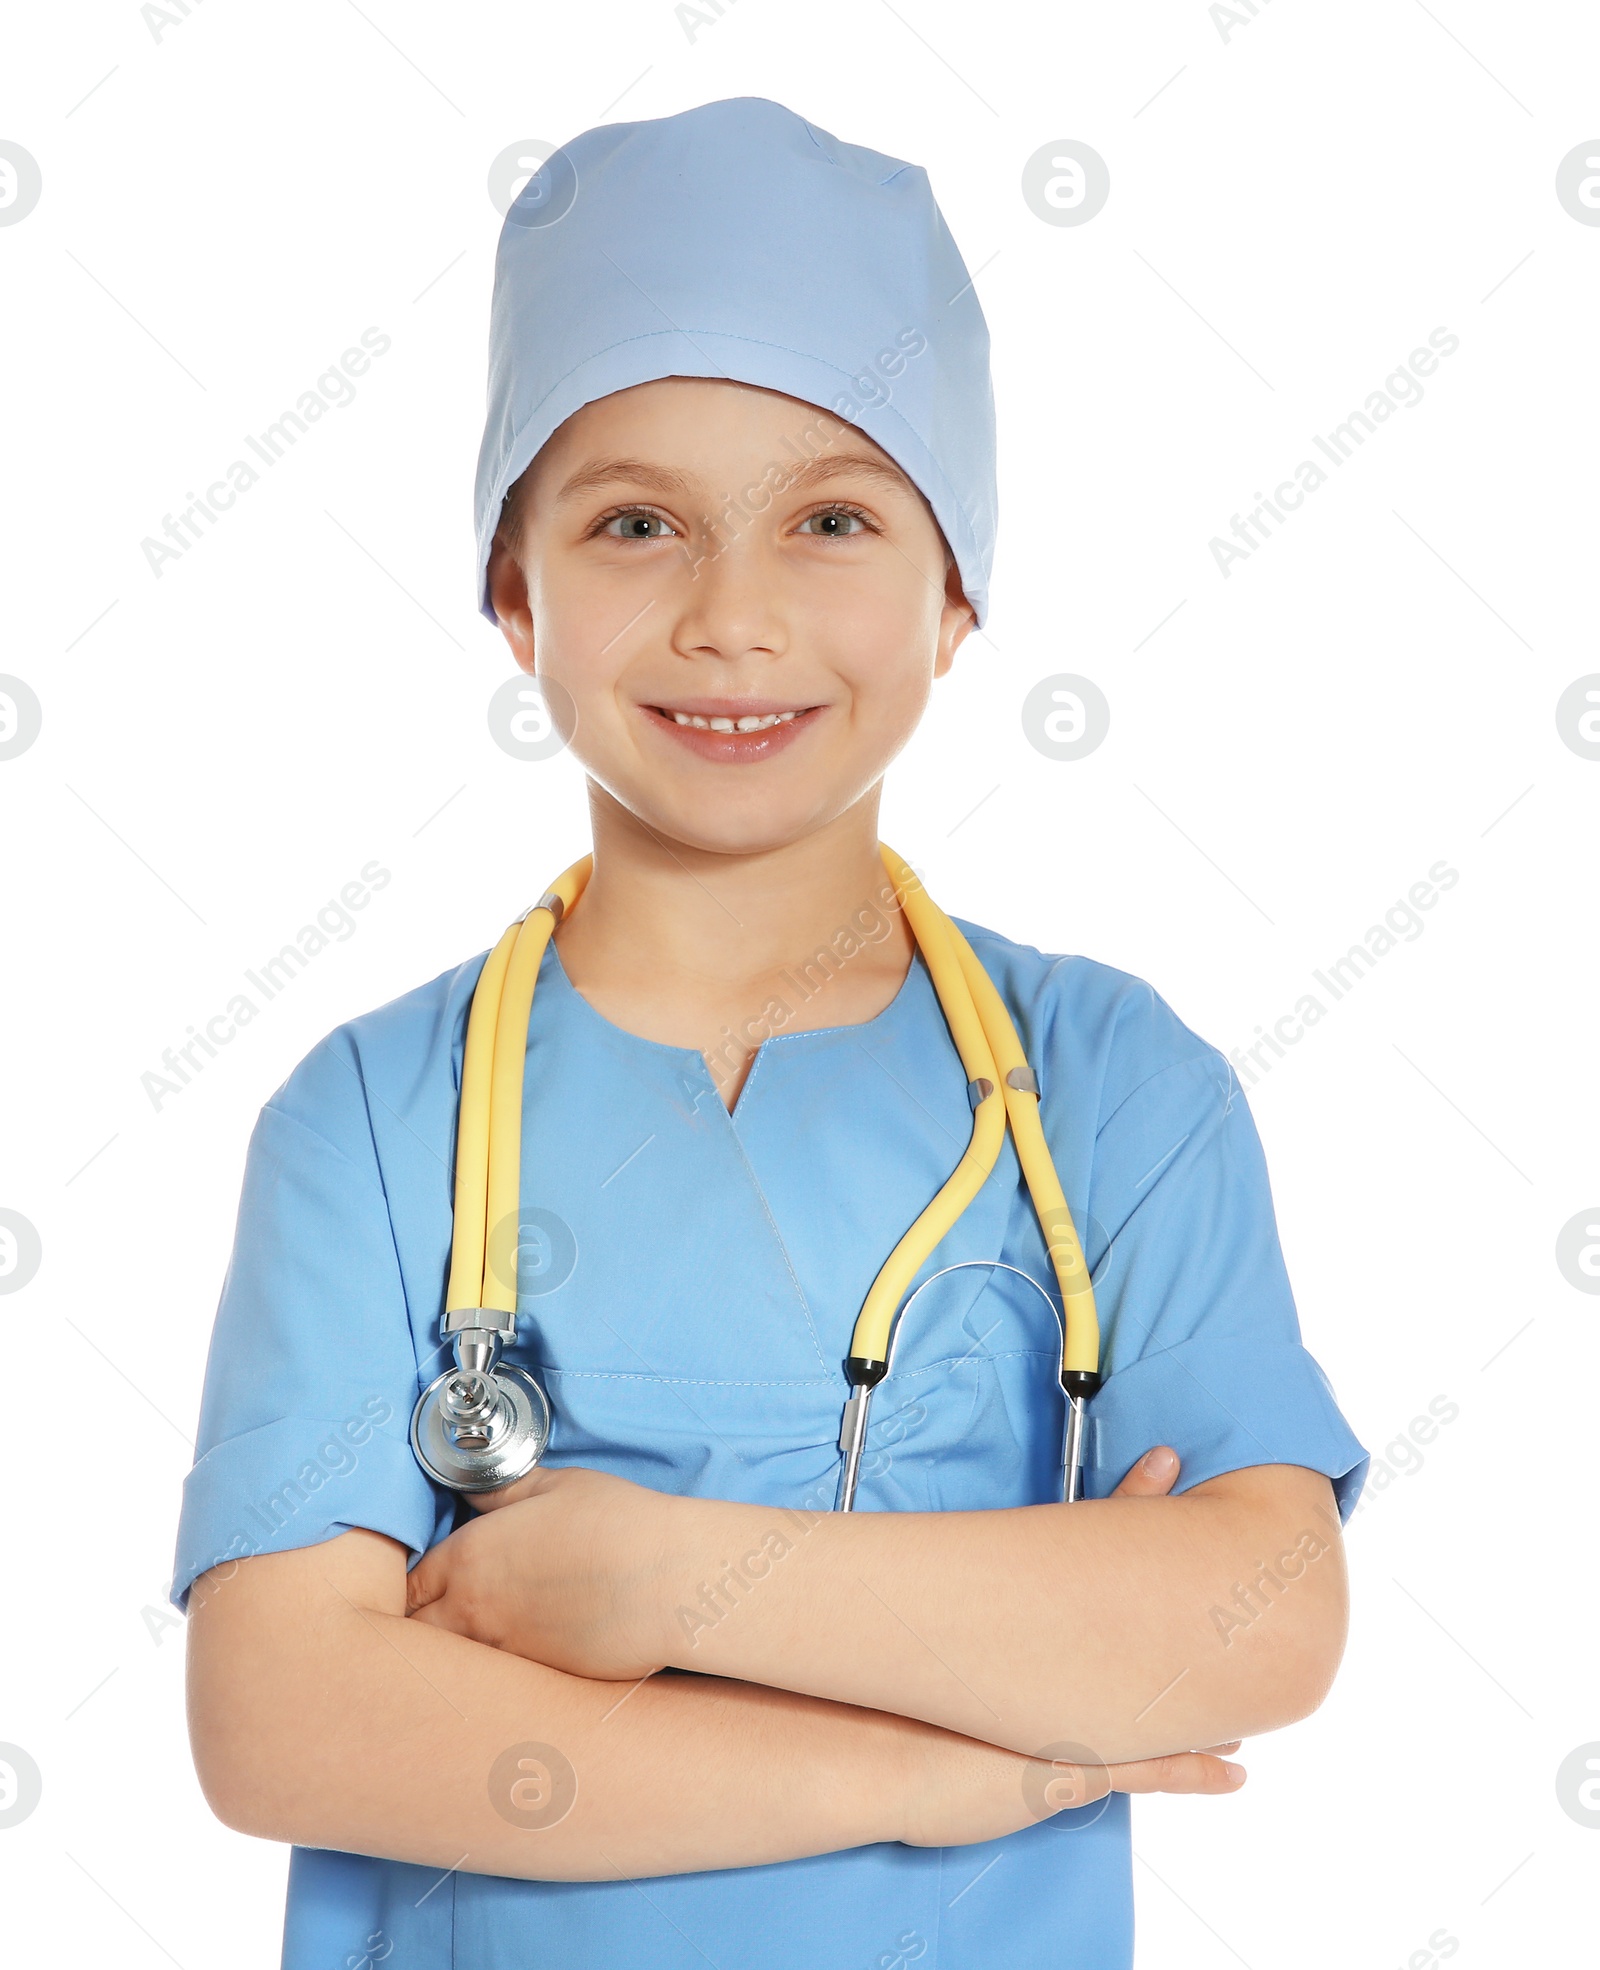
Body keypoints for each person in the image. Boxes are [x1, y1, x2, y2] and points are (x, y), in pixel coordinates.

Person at [173, 96, 1368, 1970]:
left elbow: (1261, 1614)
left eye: (831, 519)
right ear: (516, 590)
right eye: (636, 521)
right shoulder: (375, 1124)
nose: (734, 619)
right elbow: (283, 1721)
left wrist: (640, 1582)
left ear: (956, 585)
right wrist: (925, 1757)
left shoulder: (1114, 1088)